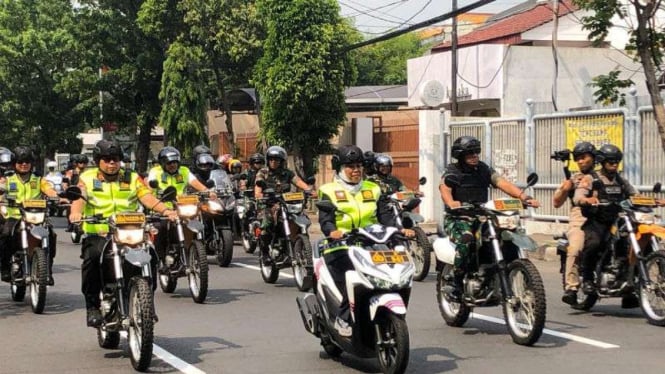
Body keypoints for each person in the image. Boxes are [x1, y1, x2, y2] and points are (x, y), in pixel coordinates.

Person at [69, 139, 178, 327]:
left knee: (151, 257)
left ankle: (146, 303)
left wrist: (166, 211)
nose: (112, 163)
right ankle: (93, 306)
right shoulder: (87, 177)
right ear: (98, 160)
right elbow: (80, 197)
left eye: (116, 159)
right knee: (93, 257)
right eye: (108, 159)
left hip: (130, 232)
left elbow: (147, 197)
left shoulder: (132, 177)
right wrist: (76, 212)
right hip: (100, 233)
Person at [318, 145, 414, 337]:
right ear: (339, 168)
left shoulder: (373, 188)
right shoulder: (328, 190)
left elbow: (385, 215)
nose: (356, 170)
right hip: (341, 245)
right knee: (351, 275)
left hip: (372, 242)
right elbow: (325, 219)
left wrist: (400, 229)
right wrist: (333, 231)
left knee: (394, 269)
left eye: (359, 166)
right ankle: (343, 317)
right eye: (350, 166)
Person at [439, 136, 540, 299]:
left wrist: (524, 197)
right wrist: (452, 203)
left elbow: (502, 183)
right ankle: (456, 282)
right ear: (460, 156)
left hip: (483, 216)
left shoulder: (483, 169)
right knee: (466, 239)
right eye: (470, 153)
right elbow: (444, 189)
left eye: (476, 152)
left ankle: (496, 272)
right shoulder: (452, 172)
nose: (475, 156)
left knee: (506, 236)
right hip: (459, 218)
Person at [573, 144, 640, 306]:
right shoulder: (591, 178)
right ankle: (588, 278)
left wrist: (653, 201)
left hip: (618, 222)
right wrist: (586, 200)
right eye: (611, 162)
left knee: (631, 247)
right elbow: (578, 196)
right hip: (597, 222)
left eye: (617, 162)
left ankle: (629, 288)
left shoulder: (620, 180)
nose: (614, 165)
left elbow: (635, 195)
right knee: (595, 244)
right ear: (602, 162)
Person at [0, 146, 63, 284]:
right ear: (14, 163)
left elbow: (49, 190)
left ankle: (47, 271)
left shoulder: (39, 179)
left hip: (36, 216)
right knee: (5, 234)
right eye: (20, 162)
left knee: (50, 235)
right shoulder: (7, 179)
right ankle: (4, 268)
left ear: (31, 163)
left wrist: (57, 197)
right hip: (14, 217)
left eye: (27, 162)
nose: (24, 165)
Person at [146, 146, 216, 270]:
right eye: (169, 163)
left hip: (182, 208)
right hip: (162, 211)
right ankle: (161, 259)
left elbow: (195, 183)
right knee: (159, 229)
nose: (172, 165)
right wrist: (154, 197)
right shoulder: (155, 172)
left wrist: (208, 192)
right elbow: (149, 189)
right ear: (162, 163)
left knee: (192, 223)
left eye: (174, 162)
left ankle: (189, 251)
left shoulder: (184, 171)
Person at [552, 142, 596, 305]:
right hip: (581, 218)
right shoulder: (574, 179)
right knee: (576, 247)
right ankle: (571, 287)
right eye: (577, 159)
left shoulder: (604, 175)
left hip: (604, 217)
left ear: (593, 158)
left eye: (584, 157)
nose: (581, 161)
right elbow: (556, 203)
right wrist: (565, 188)